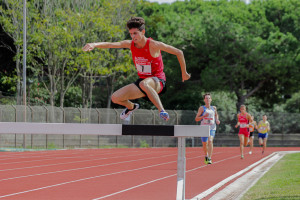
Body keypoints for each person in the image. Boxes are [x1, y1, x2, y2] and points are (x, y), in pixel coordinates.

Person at [82, 17, 191, 121]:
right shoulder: (130, 44)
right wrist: (94, 44)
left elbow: (179, 52)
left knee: (145, 84)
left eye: (135, 33)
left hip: (158, 82)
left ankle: (161, 110)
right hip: (142, 84)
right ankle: (131, 107)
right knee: (115, 98)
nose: (133, 37)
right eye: (131, 34)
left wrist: (184, 72)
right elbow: (112, 44)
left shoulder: (153, 45)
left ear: (143, 32)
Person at [195, 93, 220, 164]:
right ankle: (206, 155)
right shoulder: (202, 108)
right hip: (204, 127)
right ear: (204, 100)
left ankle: (209, 158)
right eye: (206, 98)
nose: (208, 99)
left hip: (212, 127)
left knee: (210, 140)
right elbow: (196, 119)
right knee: (204, 144)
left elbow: (216, 114)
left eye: (209, 98)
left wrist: (217, 120)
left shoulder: (214, 108)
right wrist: (203, 116)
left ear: (211, 99)